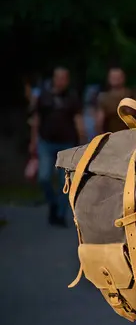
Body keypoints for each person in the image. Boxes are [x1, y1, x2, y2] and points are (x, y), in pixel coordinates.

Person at [29, 67, 86, 227]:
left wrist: (82, 138)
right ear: (53, 78)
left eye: (64, 78)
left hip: (67, 144)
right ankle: (52, 203)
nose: (61, 81)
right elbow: (36, 119)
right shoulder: (44, 96)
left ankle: (60, 215)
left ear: (67, 80)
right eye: (58, 77)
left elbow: (78, 118)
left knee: (64, 183)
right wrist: (33, 141)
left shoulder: (72, 97)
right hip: (46, 142)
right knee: (44, 177)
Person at [95, 67, 132, 134]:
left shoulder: (130, 95)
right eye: (113, 77)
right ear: (108, 79)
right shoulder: (104, 97)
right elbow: (99, 122)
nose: (115, 79)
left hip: (130, 135)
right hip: (111, 135)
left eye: (117, 77)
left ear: (123, 78)